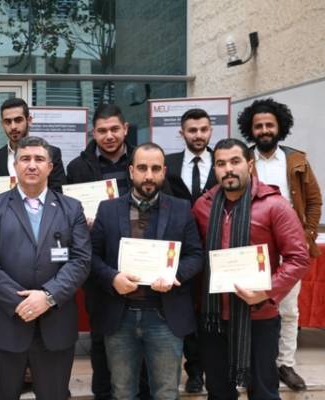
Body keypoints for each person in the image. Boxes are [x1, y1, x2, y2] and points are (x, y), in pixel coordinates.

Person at [0, 136, 91, 400]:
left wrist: (47, 297)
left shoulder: (71, 208)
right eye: (25, 159)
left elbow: (81, 260)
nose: (32, 165)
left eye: (39, 159)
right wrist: (22, 303)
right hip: (4, 326)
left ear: (50, 167)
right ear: (15, 166)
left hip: (55, 327)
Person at [192, 138, 310, 400]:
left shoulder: (275, 205)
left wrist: (266, 291)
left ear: (250, 164)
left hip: (259, 314)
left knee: (264, 391)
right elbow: (194, 256)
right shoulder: (202, 206)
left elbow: (299, 257)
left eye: (235, 161)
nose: (228, 169)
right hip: (213, 316)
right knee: (218, 392)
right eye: (221, 164)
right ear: (215, 169)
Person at [90, 142, 204, 400]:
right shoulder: (107, 209)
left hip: (164, 317)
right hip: (120, 317)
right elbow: (92, 257)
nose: (149, 175)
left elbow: (196, 256)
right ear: (131, 171)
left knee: (166, 392)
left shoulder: (181, 208)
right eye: (142, 168)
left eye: (155, 169)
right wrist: (112, 278)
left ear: (164, 171)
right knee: (122, 392)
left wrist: (175, 276)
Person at [237, 98, 322, 391]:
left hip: (288, 248)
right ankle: (249, 365)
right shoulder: (243, 159)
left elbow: (314, 202)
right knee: (252, 307)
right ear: (250, 130)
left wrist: (306, 236)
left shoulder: (296, 160)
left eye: (269, 125)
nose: (264, 130)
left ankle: (285, 364)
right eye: (258, 126)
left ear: (279, 127)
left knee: (288, 310)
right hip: (252, 249)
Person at [66, 103, 134, 400]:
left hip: (138, 255)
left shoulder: (140, 160)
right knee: (100, 332)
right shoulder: (77, 167)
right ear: (93, 132)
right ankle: (103, 392)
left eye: (114, 129)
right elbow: (67, 211)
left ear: (125, 129)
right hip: (97, 257)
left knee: (138, 330)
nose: (109, 136)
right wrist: (81, 220)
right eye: (102, 130)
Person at [164, 107, 217, 393]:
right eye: (192, 130)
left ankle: (213, 369)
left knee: (211, 314)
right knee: (184, 313)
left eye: (203, 129)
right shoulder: (168, 164)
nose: (198, 135)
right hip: (179, 254)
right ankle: (193, 371)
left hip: (216, 251)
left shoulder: (222, 163)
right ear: (182, 132)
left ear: (210, 131)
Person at [0, 97, 67, 191]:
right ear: (2, 124)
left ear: (29, 120)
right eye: (8, 122)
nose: (13, 127)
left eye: (18, 120)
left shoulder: (52, 153)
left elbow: (58, 193)